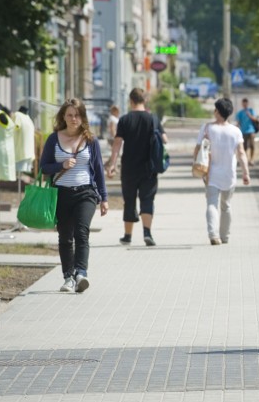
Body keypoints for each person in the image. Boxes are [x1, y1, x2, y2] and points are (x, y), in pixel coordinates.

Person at [39, 98, 109, 293]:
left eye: (77, 115)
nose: (73, 118)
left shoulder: (90, 140)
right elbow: (43, 167)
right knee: (65, 237)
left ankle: (81, 273)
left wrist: (104, 198)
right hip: (61, 194)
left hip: (86, 192)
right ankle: (68, 277)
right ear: (63, 116)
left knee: (82, 231)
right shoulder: (54, 139)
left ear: (82, 117)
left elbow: (98, 169)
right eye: (69, 115)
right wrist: (60, 165)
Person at [105, 88, 167, 247]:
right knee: (147, 199)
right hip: (150, 168)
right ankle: (147, 232)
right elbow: (165, 139)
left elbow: (117, 144)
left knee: (129, 201)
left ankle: (127, 236)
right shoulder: (153, 119)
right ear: (144, 100)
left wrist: (112, 164)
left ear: (131, 101)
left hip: (129, 168)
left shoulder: (125, 120)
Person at [193, 98, 250, 245]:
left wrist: (196, 164)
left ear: (218, 111)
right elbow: (241, 153)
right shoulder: (236, 131)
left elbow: (198, 149)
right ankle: (225, 236)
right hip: (229, 174)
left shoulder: (207, 128)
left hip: (211, 173)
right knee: (226, 206)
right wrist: (245, 173)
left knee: (212, 204)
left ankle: (213, 235)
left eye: (215, 109)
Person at [235, 98, 259, 166]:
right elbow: (238, 122)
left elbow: (255, 119)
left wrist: (250, 116)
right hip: (243, 131)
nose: (245, 104)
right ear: (242, 104)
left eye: (246, 103)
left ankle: (251, 159)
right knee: (244, 147)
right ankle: (245, 159)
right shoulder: (240, 113)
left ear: (247, 103)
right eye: (243, 103)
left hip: (251, 131)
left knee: (252, 145)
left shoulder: (251, 111)